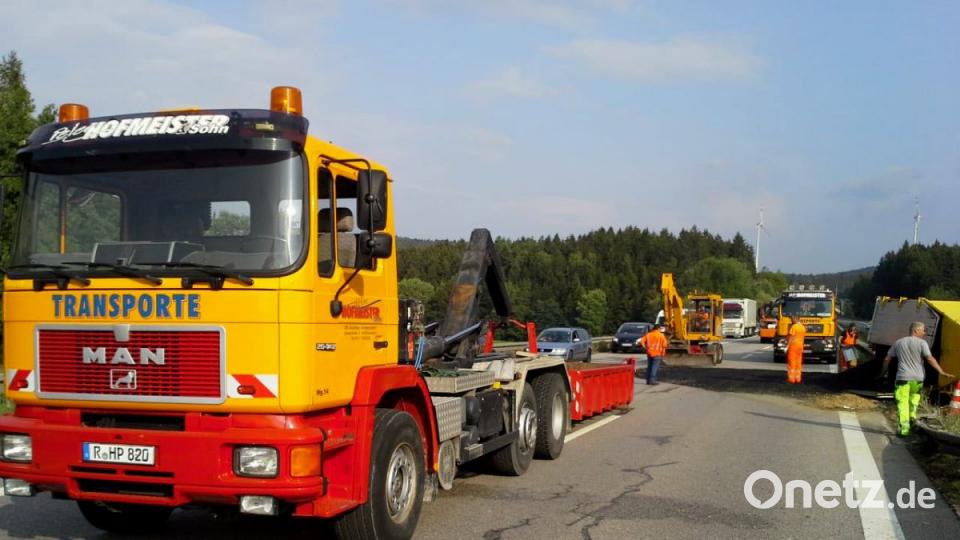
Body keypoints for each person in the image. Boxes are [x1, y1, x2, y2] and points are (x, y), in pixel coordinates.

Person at [880, 322, 955, 436]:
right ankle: (912, 421)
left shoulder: (898, 342)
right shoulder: (922, 343)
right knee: (914, 402)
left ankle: (904, 430)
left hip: (903, 379)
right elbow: (930, 358)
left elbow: (887, 359)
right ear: (916, 330)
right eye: (923, 330)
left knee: (903, 403)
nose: (924, 333)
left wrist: (883, 372)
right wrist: (941, 371)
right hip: (918, 379)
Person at [786, 316, 805, 384]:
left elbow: (791, 337)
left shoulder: (794, 327)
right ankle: (798, 378)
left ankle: (791, 379)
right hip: (800, 346)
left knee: (792, 361)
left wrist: (787, 346)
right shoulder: (802, 327)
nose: (791, 321)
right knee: (798, 362)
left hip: (793, 346)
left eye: (792, 319)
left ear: (795, 319)